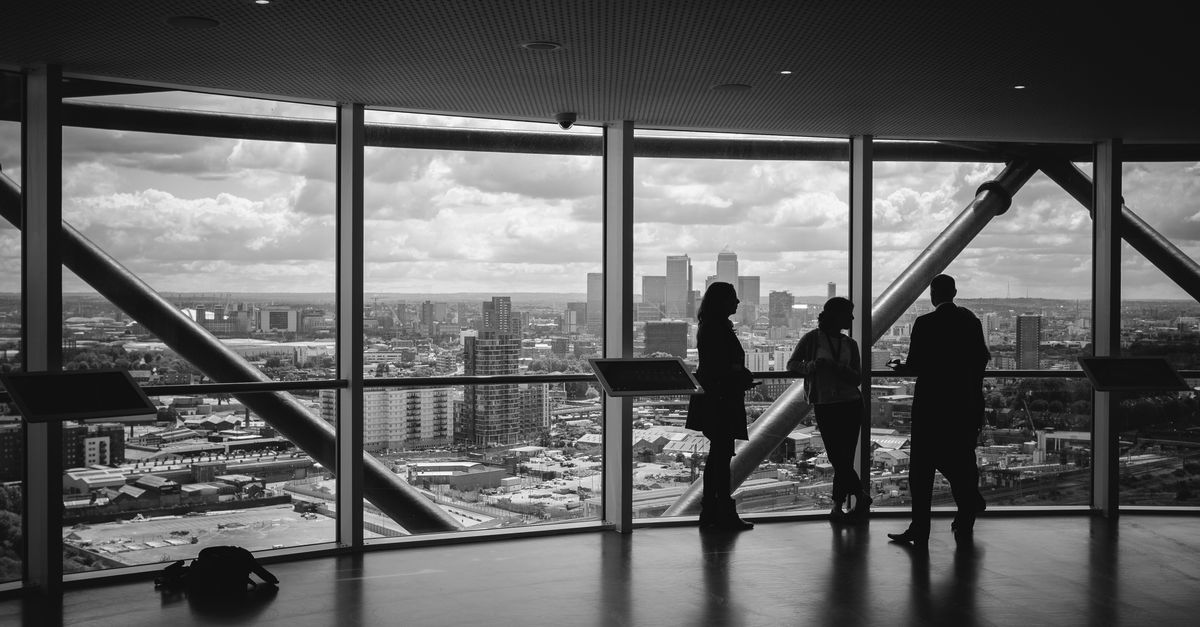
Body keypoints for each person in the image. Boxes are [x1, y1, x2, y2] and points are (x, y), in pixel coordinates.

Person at [888, 274, 990, 545]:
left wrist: (899, 368)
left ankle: (920, 528)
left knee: (922, 470)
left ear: (933, 295)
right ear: (954, 292)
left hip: (931, 405)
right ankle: (966, 515)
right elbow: (981, 360)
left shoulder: (925, 323)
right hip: (964, 404)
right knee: (962, 459)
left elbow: (916, 365)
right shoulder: (971, 322)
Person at [787, 297, 868, 522]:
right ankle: (858, 496)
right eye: (848, 314)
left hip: (847, 403)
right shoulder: (812, 339)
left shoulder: (849, 344)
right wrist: (812, 366)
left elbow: (856, 378)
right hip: (831, 403)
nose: (852, 318)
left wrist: (833, 367)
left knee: (842, 457)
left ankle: (838, 506)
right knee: (838, 457)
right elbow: (792, 365)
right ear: (836, 316)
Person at [686, 282, 757, 531]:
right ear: (722, 302)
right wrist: (739, 375)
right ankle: (722, 511)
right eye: (733, 298)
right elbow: (721, 365)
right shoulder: (718, 328)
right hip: (722, 400)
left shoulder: (709, 327)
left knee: (718, 457)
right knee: (721, 458)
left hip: (714, 398)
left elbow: (714, 365)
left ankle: (712, 511)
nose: (738, 302)